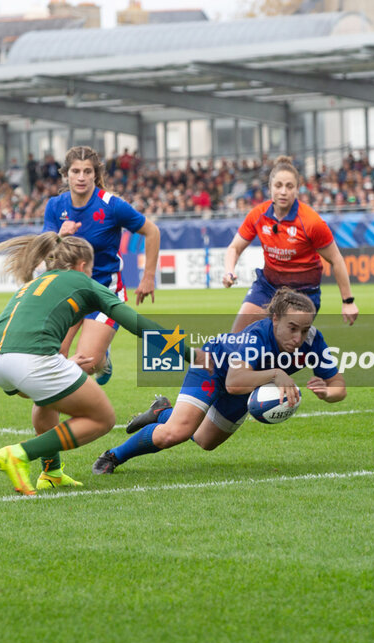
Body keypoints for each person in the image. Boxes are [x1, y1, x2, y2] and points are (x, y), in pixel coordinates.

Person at [0, 234, 183, 495]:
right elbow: (137, 323)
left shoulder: (36, 282)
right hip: (30, 359)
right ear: (81, 266)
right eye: (90, 269)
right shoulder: (80, 280)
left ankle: (52, 473)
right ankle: (20, 453)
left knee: (45, 399)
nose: (90, 274)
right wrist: (190, 354)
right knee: (102, 418)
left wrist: (61, 365)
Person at [91, 288, 347, 475]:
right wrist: (276, 373)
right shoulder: (256, 335)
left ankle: (161, 412)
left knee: (205, 441)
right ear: (275, 319)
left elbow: (338, 386)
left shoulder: (313, 341)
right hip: (214, 368)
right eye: (293, 328)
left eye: (305, 329)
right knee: (177, 433)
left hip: (244, 387)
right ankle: (113, 455)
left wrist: (327, 393)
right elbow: (234, 381)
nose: (299, 336)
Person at [41, 145, 161, 393]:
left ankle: (102, 361)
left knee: (87, 362)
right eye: (75, 171)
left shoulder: (111, 205)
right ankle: (58, 418)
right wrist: (58, 236)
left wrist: (148, 277)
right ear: (66, 174)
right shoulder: (55, 206)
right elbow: (47, 255)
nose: (81, 177)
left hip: (103, 292)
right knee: (55, 357)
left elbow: (152, 231)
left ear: (96, 174)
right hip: (69, 292)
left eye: (87, 171)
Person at [221, 155, 359, 333]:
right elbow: (234, 248)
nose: (283, 191)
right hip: (268, 287)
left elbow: (336, 260)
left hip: (303, 294)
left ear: (297, 189)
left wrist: (348, 301)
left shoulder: (311, 222)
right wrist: (229, 271)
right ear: (270, 188)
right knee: (237, 337)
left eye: (289, 186)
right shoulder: (258, 215)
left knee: (280, 344)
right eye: (278, 186)